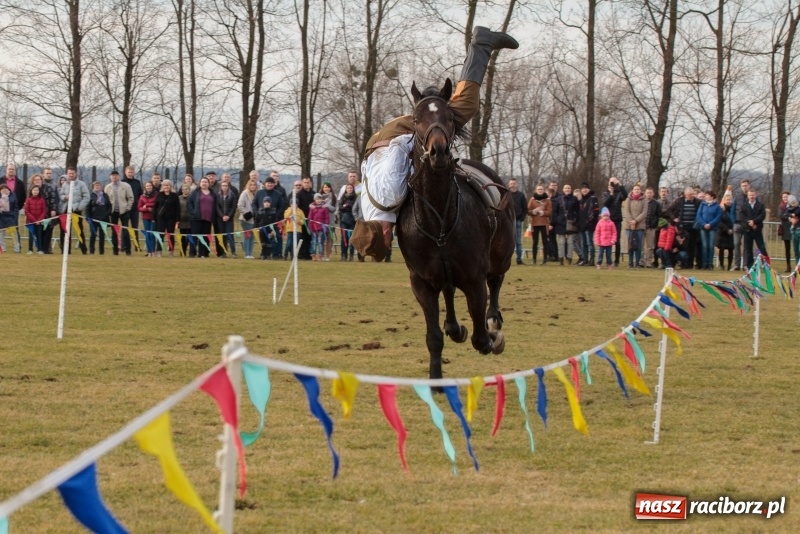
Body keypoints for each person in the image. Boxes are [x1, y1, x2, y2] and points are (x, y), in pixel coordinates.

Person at [354, 26, 519, 261]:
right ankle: (479, 48)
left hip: (394, 139)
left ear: (384, 232)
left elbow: (397, 155)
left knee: (466, 107)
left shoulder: (389, 198)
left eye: (387, 244)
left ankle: (481, 44)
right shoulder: (373, 211)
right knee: (455, 109)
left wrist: (416, 141)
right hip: (377, 145)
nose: (390, 246)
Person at [59, 168, 89, 254]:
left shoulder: (81, 184)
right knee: (64, 230)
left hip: (76, 210)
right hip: (66, 210)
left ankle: (84, 250)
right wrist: (65, 197)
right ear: (67, 174)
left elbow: (86, 197)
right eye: (69, 173)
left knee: (79, 230)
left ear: (75, 174)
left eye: (72, 173)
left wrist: (79, 207)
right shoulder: (65, 185)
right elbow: (61, 195)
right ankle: (65, 250)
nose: (71, 175)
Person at [668, 187, 699, 269]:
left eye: (693, 194)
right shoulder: (678, 201)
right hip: (681, 227)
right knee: (683, 245)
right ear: (685, 195)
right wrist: (674, 219)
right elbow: (669, 210)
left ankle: (690, 264)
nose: (692, 196)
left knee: (692, 246)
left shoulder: (697, 202)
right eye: (690, 194)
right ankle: (682, 263)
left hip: (693, 227)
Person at [105, 170, 134, 256]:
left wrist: (128, 208)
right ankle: (115, 250)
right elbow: (106, 200)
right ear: (110, 177)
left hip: (124, 211)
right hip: (113, 212)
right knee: (114, 232)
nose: (114, 177)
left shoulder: (125, 186)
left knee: (125, 231)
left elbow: (131, 198)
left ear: (119, 176)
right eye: (112, 175)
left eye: (116, 175)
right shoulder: (107, 187)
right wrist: (108, 211)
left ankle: (127, 250)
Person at [737, 189, 768, 269]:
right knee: (748, 249)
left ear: (756, 195)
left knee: (761, 247)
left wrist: (754, 222)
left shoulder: (760, 205)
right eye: (750, 195)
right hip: (747, 230)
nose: (751, 196)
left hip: (757, 230)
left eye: (753, 195)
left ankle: (766, 264)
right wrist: (749, 222)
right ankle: (750, 266)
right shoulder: (744, 206)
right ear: (748, 196)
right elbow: (741, 216)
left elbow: (762, 215)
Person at [601, 176, 628, 267]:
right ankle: (608, 259)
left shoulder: (619, 193)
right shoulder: (605, 193)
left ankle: (616, 261)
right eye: (611, 182)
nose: (612, 184)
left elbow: (625, 195)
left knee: (617, 241)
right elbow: (605, 204)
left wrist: (620, 184)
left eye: (613, 183)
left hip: (616, 219)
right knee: (606, 240)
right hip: (607, 220)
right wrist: (611, 194)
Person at [187, 177, 217, 258]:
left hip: (208, 219)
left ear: (208, 183)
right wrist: (193, 213)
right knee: (195, 236)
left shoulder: (213, 193)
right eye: (202, 182)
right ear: (200, 183)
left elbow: (215, 205)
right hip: (196, 218)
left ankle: (203, 253)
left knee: (205, 237)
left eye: (206, 182)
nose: (204, 183)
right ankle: (192, 253)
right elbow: (189, 203)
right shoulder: (195, 192)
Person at [551, 183, 580, 265]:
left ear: (571, 190)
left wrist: (575, 219)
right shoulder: (559, 199)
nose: (567, 189)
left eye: (568, 188)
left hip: (571, 223)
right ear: (563, 190)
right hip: (561, 223)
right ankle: (561, 258)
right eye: (566, 188)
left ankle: (569, 257)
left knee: (570, 242)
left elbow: (577, 211)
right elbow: (555, 212)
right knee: (561, 242)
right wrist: (557, 220)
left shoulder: (574, 199)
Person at [0, 163, 26, 253]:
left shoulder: (20, 183)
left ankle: (17, 249)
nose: (11, 170)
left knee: (14, 231)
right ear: (6, 170)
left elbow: (23, 196)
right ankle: (2, 249)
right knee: (1, 232)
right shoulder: (0, 180)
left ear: (15, 171)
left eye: (13, 169)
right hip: (1, 214)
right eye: (9, 169)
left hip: (13, 213)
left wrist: (18, 208)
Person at [694, 190, 722, 270]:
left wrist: (710, 224)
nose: (706, 197)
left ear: (712, 196)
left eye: (707, 195)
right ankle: (704, 263)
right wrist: (703, 224)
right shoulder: (702, 205)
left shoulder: (717, 206)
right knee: (704, 246)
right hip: (703, 228)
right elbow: (698, 215)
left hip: (713, 228)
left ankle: (710, 263)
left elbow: (718, 217)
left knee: (710, 246)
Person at [153, 180, 180, 257]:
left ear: (170, 186)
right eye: (164, 185)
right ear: (162, 187)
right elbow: (155, 207)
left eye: (167, 185)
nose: (166, 187)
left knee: (170, 235)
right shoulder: (159, 195)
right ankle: (159, 251)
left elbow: (177, 208)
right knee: (160, 235)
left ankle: (171, 252)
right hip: (161, 218)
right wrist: (154, 217)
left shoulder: (174, 195)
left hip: (171, 218)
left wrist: (178, 220)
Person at [622, 183, 646, 268]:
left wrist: (636, 221)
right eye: (635, 189)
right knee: (631, 245)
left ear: (640, 191)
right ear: (633, 190)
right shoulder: (628, 200)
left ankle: (637, 262)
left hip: (640, 226)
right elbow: (626, 211)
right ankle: (630, 262)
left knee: (638, 245)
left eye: (638, 189)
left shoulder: (644, 200)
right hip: (629, 226)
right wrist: (631, 221)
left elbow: (644, 212)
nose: (637, 191)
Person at [527, 183, 551, 265]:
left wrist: (542, 212)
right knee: (535, 242)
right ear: (536, 190)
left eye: (541, 189)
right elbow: (528, 210)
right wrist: (534, 211)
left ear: (544, 190)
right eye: (538, 189)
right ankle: (534, 259)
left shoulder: (547, 200)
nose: (540, 191)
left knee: (545, 242)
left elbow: (550, 212)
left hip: (544, 223)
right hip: (534, 223)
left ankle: (545, 259)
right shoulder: (532, 200)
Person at [507, 179, 528, 265]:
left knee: (518, 241)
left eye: (514, 183)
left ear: (517, 185)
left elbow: (525, 208)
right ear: (508, 185)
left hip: (518, 220)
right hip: (508, 221)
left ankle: (519, 259)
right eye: (511, 183)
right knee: (508, 241)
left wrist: (522, 218)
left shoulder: (521, 195)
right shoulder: (506, 195)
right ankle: (506, 259)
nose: (512, 185)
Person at [577, 182, 598, 267]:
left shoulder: (592, 198)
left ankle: (592, 259)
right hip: (582, 225)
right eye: (583, 189)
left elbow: (595, 211)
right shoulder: (581, 200)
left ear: (589, 189)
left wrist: (590, 221)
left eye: (586, 189)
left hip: (589, 225)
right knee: (583, 243)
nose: (584, 190)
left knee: (590, 243)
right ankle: (585, 259)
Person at [87, 181, 111, 255]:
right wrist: (88, 217)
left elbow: (109, 206)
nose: (97, 187)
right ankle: (91, 251)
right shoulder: (91, 195)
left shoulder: (105, 195)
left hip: (103, 218)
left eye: (99, 185)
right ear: (93, 187)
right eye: (96, 185)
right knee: (93, 235)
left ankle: (101, 251)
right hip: (94, 218)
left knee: (102, 235)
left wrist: (107, 213)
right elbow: (87, 207)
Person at [730, 179, 750, 270]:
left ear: (749, 186)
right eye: (743, 186)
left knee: (746, 246)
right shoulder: (737, 197)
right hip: (737, 224)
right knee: (736, 244)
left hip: (747, 225)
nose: (744, 187)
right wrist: (734, 221)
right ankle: (737, 265)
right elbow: (733, 210)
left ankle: (745, 264)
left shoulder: (752, 196)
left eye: (746, 185)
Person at [216, 180, 238, 258]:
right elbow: (217, 207)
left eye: (226, 185)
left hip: (229, 218)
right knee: (222, 236)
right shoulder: (218, 195)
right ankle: (223, 253)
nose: (224, 187)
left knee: (230, 235)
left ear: (228, 186)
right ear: (221, 187)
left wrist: (229, 216)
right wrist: (222, 216)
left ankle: (233, 252)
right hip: (220, 218)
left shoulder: (232, 195)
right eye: (223, 185)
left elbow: (233, 207)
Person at [641, 187, 662, 268]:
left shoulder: (656, 204)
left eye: (650, 193)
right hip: (642, 226)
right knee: (641, 245)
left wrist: (655, 223)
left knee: (650, 246)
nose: (649, 194)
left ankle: (648, 261)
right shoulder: (642, 202)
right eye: (647, 193)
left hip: (651, 227)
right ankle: (641, 261)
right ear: (645, 193)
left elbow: (659, 215)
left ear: (653, 194)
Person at [296, 176, 316, 260]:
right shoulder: (299, 194)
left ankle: (308, 254)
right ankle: (301, 254)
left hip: (311, 219)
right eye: (305, 182)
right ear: (302, 183)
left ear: (310, 183)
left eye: (308, 182)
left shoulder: (314, 194)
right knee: (302, 237)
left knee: (309, 237)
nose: (306, 184)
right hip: (302, 219)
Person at [40, 167, 59, 253]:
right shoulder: (40, 184)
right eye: (47, 173)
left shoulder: (54, 185)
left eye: (50, 173)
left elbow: (55, 198)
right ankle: (42, 248)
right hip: (40, 211)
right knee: (41, 230)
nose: (48, 175)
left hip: (50, 210)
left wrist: (54, 208)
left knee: (49, 230)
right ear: (43, 174)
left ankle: (47, 248)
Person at [24, 184, 48, 254]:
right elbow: (27, 211)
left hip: (39, 221)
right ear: (31, 191)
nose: (35, 191)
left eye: (37, 190)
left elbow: (44, 211)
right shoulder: (28, 200)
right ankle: (30, 249)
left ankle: (40, 249)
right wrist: (34, 220)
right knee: (31, 236)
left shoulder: (42, 200)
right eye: (34, 190)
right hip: (30, 221)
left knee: (39, 235)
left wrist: (39, 220)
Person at [238, 180, 258, 259]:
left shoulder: (256, 194)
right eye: (251, 185)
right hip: (246, 219)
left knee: (252, 236)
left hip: (254, 219)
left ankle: (250, 253)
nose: (253, 186)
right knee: (247, 236)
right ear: (248, 185)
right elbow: (240, 206)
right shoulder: (245, 193)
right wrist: (247, 213)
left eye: (254, 185)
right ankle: (247, 253)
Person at [716, 189, 735, 271]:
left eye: (730, 200)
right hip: (723, 232)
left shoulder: (734, 210)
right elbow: (719, 221)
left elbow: (736, 220)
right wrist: (727, 230)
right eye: (727, 200)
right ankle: (722, 265)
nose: (728, 201)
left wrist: (733, 229)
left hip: (732, 232)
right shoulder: (720, 210)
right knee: (721, 249)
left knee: (731, 250)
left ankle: (729, 266)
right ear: (724, 200)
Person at [338, 183, 358, 261]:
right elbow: (340, 207)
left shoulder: (356, 198)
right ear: (346, 189)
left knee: (352, 238)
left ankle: (351, 255)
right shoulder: (343, 198)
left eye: (351, 188)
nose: (349, 189)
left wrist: (347, 206)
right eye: (348, 188)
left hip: (352, 220)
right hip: (343, 220)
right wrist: (345, 206)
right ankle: (343, 255)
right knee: (344, 238)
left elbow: (355, 207)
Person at [122, 165, 143, 237]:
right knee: (124, 228)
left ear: (134, 173)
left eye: (132, 172)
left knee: (135, 228)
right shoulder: (122, 182)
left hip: (135, 208)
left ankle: (137, 246)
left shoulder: (137, 182)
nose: (130, 174)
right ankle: (124, 246)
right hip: (125, 208)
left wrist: (139, 204)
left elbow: (141, 194)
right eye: (129, 172)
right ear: (125, 172)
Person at [318, 181, 337, 261]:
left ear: (330, 188)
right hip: (321, 221)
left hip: (330, 221)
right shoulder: (319, 197)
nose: (326, 189)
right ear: (322, 188)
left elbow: (334, 209)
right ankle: (321, 255)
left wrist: (327, 205)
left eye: (328, 187)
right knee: (321, 239)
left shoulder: (334, 197)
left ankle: (328, 256)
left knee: (329, 239)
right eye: (325, 187)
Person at [308, 193, 330, 261]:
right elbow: (310, 218)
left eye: (320, 199)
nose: (319, 200)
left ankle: (320, 255)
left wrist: (325, 226)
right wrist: (310, 227)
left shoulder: (324, 208)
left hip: (321, 228)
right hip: (314, 228)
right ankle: (313, 255)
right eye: (317, 199)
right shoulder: (312, 208)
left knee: (320, 242)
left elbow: (327, 218)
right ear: (315, 200)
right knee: (314, 242)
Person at [138, 181, 157, 256]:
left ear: (152, 186)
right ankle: (149, 251)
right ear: (145, 187)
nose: (149, 187)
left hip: (153, 217)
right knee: (147, 234)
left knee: (152, 234)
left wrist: (147, 205)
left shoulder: (156, 195)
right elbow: (139, 208)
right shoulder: (142, 196)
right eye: (147, 186)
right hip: (145, 217)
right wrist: (146, 209)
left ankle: (153, 251)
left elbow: (156, 204)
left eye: (150, 185)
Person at [178, 183, 195, 257]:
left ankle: (191, 252)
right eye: (183, 189)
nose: (184, 191)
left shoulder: (192, 198)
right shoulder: (179, 198)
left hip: (190, 221)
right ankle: (182, 251)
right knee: (182, 238)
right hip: (181, 221)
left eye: (186, 189)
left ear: (189, 190)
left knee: (189, 237)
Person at [0, 183, 17, 253]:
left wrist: (14, 215)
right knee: (1, 234)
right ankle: (3, 249)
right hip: (1, 218)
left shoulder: (12, 195)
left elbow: (15, 206)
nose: (4, 190)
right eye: (2, 189)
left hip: (10, 217)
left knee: (13, 234)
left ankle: (17, 249)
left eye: (5, 188)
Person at [778, 191, 793, 272]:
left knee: (797, 249)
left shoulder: (794, 205)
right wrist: (789, 217)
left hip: (793, 228)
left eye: (786, 197)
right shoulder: (781, 206)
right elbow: (781, 216)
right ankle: (788, 266)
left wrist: (787, 216)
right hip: (785, 229)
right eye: (783, 197)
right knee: (787, 249)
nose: (785, 198)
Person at [786, 195, 800, 268]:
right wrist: (791, 217)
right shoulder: (789, 209)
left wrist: (793, 215)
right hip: (794, 231)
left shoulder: (798, 208)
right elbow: (786, 214)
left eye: (795, 202)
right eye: (792, 203)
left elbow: (798, 211)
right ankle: (798, 266)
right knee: (796, 251)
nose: (794, 204)